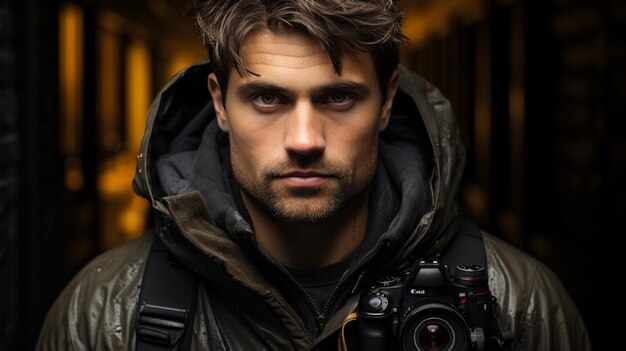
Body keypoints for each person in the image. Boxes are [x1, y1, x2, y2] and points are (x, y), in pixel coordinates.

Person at [37, 0, 592, 350]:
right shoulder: (105, 312)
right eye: (268, 98)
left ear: (387, 100)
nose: (305, 140)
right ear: (221, 104)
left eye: (340, 97)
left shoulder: (517, 303)